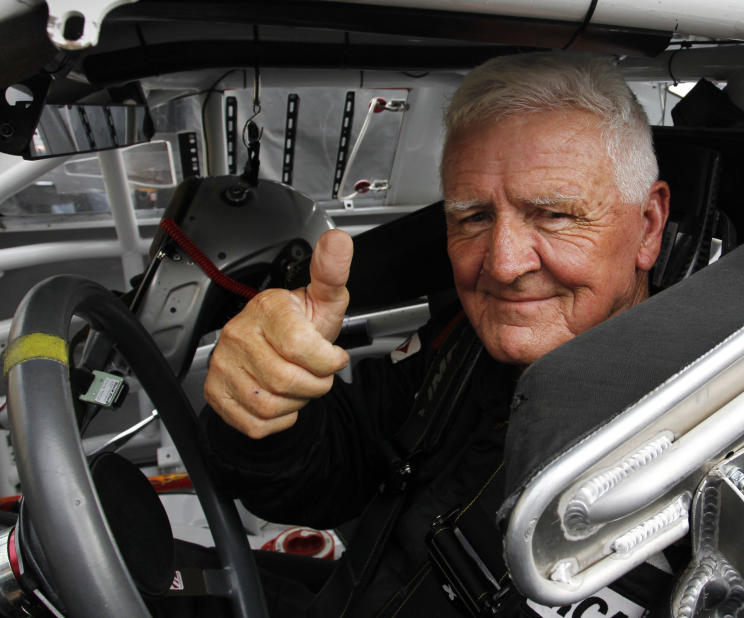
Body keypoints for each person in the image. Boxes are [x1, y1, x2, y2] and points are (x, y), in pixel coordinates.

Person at [199, 52, 670, 616]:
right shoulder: (464, 337)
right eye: (472, 217)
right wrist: (268, 404)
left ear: (647, 226)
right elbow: (340, 467)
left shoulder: (711, 424)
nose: (501, 264)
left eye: (554, 215)